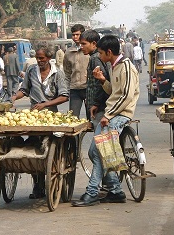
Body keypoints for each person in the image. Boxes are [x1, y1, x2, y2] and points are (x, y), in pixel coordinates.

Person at [72, 35, 139, 207]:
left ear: (109, 52)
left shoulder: (126, 67)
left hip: (120, 115)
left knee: (99, 152)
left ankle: (92, 192)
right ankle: (116, 191)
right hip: (111, 113)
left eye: (101, 53)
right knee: (95, 152)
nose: (99, 57)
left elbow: (126, 96)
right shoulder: (113, 67)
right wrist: (103, 80)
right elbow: (113, 91)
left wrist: (108, 116)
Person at [11, 46, 69, 198]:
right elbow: (24, 90)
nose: (39, 61)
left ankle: (49, 180)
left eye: (42, 58)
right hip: (34, 116)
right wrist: (14, 97)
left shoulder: (58, 74)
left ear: (49, 58)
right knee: (31, 145)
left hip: (51, 115)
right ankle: (38, 184)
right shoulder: (31, 71)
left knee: (49, 146)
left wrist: (45, 104)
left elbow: (64, 96)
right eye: (37, 58)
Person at [79, 30, 110, 129]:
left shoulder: (95, 59)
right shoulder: (97, 57)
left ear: (94, 44)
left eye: (84, 44)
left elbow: (101, 81)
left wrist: (96, 103)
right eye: (80, 44)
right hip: (101, 103)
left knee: (100, 135)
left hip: (99, 106)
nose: (81, 47)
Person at [64, 24, 89, 118]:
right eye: (73, 35)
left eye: (77, 34)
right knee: (73, 118)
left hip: (88, 88)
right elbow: (67, 72)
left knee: (91, 117)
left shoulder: (89, 50)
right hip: (74, 89)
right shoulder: (68, 52)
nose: (75, 37)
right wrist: (66, 90)